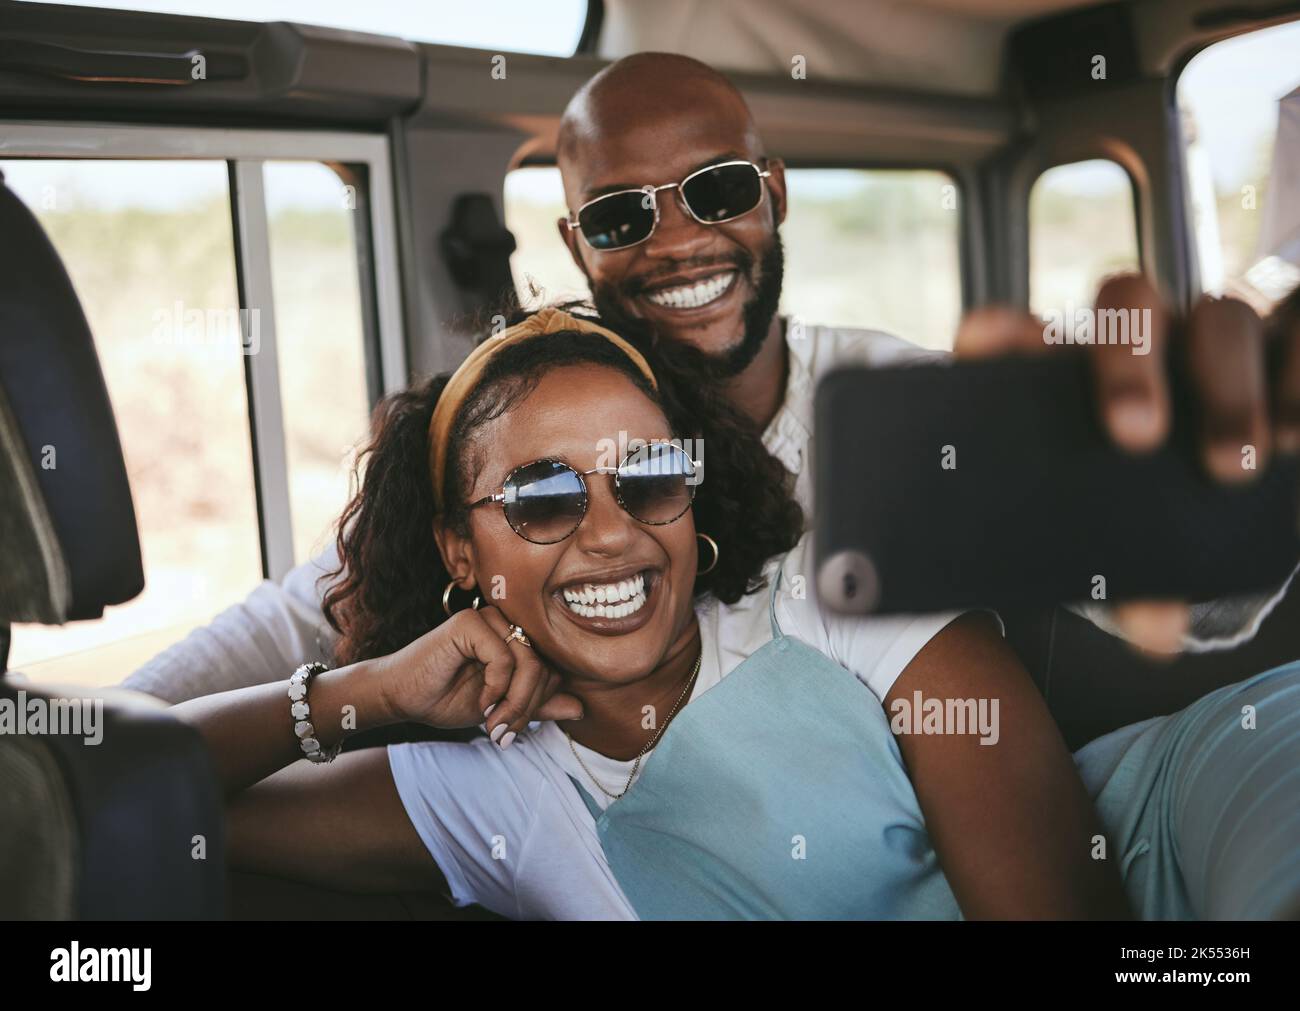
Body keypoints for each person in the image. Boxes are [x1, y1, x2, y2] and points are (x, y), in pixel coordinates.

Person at [124, 52, 1300, 704]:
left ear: (773, 195)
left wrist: (1218, 491)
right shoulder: (517, 441)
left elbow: (1143, 575)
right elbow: (290, 617)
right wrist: (96, 740)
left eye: (721, 192)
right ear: (578, 247)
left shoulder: (898, 407)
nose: (682, 242)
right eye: (625, 214)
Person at [173, 308, 1300, 920]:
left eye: (647, 478)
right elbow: (122, 806)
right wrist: (353, 696)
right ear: (461, 553)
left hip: (1211, 813)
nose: (611, 531)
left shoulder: (838, 602)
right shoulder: (478, 785)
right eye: (546, 495)